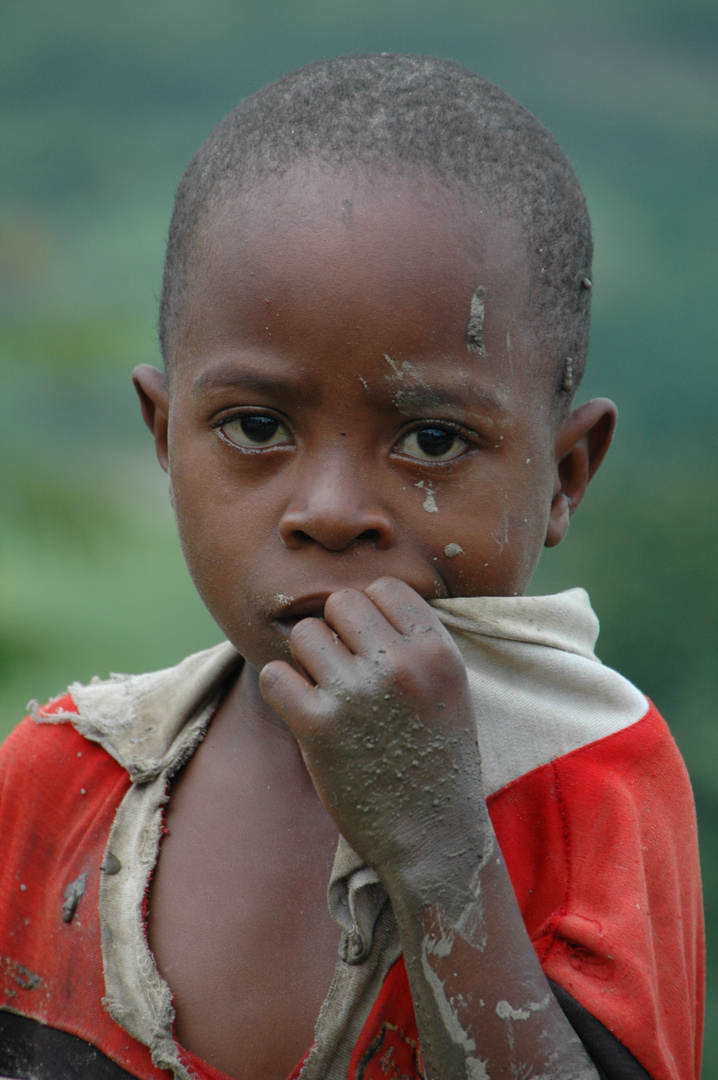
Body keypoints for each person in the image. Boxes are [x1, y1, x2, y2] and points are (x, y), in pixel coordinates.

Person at [0, 54, 703, 1080]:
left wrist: (439, 855)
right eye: (253, 426)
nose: (329, 511)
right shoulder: (66, 774)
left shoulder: (589, 781)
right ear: (164, 436)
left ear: (562, 476)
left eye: (429, 442)